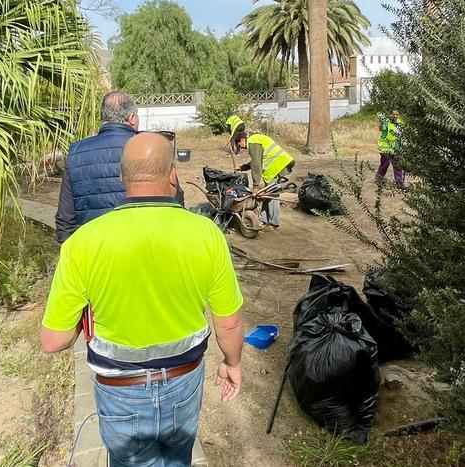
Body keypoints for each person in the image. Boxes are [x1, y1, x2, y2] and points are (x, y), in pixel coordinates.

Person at [41, 133, 245, 466]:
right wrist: (232, 363)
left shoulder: (82, 243)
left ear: (123, 179)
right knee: (178, 459)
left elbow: (53, 341)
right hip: (184, 382)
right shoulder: (207, 234)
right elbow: (230, 321)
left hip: (120, 391)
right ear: (172, 175)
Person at [55, 91, 182, 243]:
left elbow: (65, 218)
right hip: (143, 246)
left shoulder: (76, 152)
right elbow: (176, 203)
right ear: (132, 118)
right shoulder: (150, 148)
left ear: (103, 118)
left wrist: (72, 254)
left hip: (93, 251)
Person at [232, 128, 295, 228]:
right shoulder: (255, 140)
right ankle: (264, 219)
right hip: (278, 164)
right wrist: (242, 167)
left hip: (277, 166)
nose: (241, 148)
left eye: (239, 145)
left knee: (272, 195)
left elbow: (256, 164)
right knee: (267, 194)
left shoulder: (253, 142)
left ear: (242, 140)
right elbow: (256, 161)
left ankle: (273, 223)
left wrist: (256, 186)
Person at [377, 109, 404, 188]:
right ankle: (379, 179)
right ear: (390, 115)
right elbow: (381, 129)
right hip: (385, 149)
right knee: (384, 165)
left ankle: (399, 182)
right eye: (393, 114)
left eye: (397, 114)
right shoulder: (386, 122)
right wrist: (382, 122)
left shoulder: (400, 123)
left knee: (398, 165)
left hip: (396, 149)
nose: (395, 116)